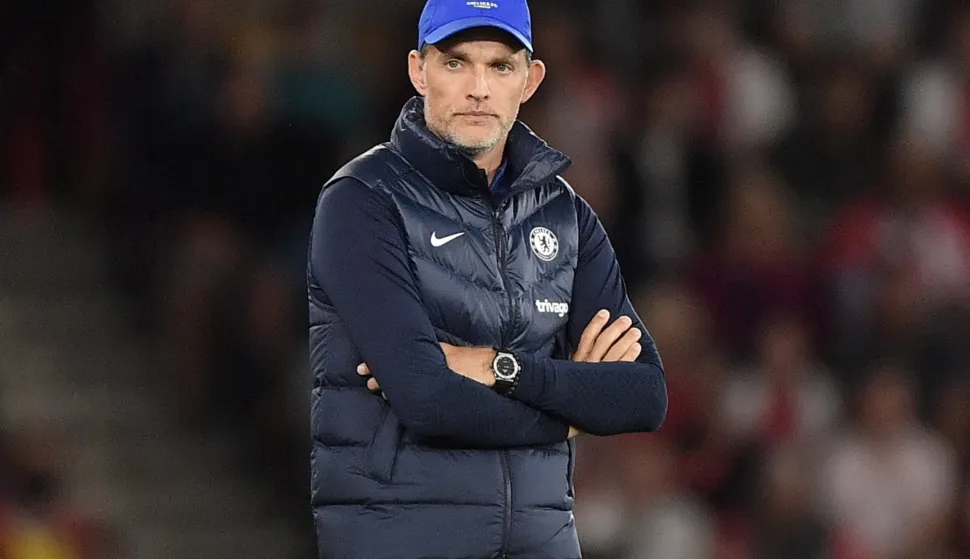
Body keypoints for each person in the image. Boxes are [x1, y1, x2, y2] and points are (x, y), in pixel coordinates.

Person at [306, 1, 668, 557]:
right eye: (456, 63)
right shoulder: (362, 200)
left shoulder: (565, 214)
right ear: (418, 70)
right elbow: (426, 399)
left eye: (500, 66)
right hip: (402, 536)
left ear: (530, 79)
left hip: (542, 539)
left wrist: (502, 368)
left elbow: (644, 396)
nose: (478, 88)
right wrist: (571, 415)